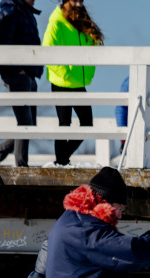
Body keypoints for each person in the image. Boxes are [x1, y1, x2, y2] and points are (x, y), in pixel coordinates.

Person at [42, 0, 102, 166]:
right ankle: (62, 161)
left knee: (87, 124)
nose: (78, 4)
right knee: (64, 124)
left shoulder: (82, 21)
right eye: (74, 1)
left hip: (78, 83)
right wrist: (65, 72)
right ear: (65, 2)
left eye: (81, 1)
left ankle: (61, 159)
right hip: (62, 82)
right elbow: (46, 50)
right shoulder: (56, 23)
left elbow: (90, 47)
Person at [0, 0, 41, 168]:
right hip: (17, 75)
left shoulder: (27, 13)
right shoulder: (9, 13)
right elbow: (3, 43)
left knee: (30, 125)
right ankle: (21, 164)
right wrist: (17, 70)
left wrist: (33, 71)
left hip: (30, 75)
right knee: (25, 123)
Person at [116, 69, 150, 161]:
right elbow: (121, 109)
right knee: (133, 162)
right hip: (134, 132)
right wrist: (123, 138)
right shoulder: (131, 82)